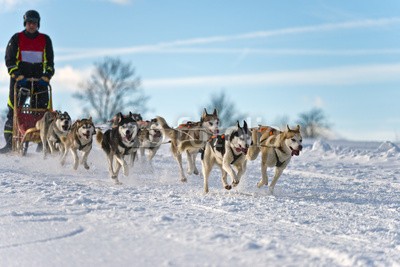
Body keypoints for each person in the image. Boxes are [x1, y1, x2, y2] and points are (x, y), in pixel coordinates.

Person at [0, 10, 55, 153]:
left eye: (35, 23)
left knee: (42, 112)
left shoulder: (45, 40)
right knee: (14, 111)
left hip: (39, 81)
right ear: (25, 23)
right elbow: (9, 60)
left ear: (38, 24)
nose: (32, 25)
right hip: (20, 81)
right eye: (29, 23)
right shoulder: (16, 39)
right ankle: (10, 144)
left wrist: (47, 75)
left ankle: (41, 142)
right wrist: (16, 74)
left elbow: (50, 62)